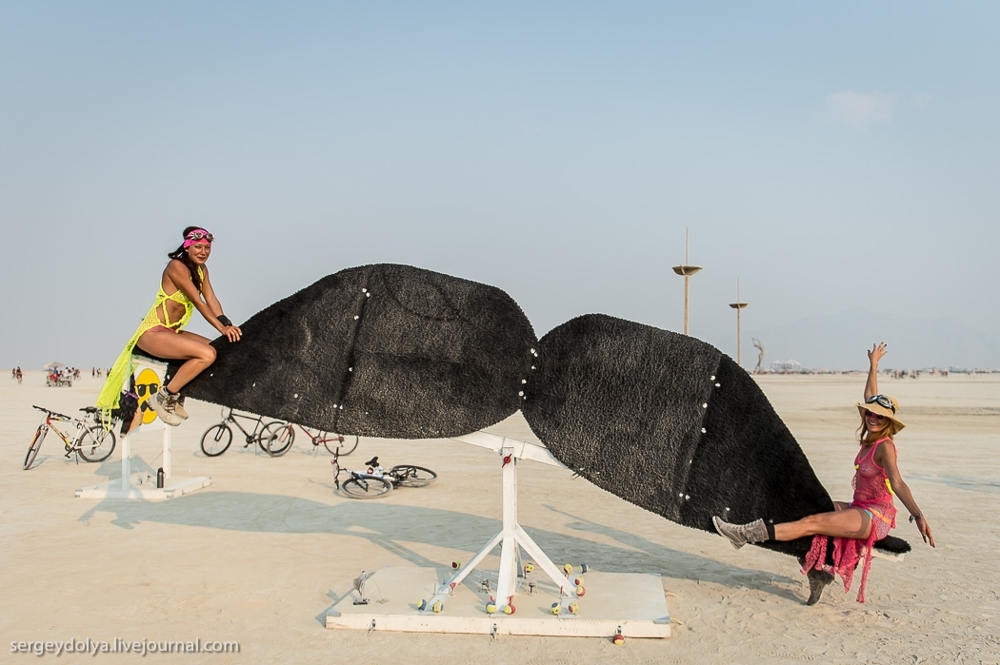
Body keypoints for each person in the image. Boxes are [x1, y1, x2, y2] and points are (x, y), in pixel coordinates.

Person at [712, 342, 935, 603]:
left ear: (889, 422)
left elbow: (897, 482)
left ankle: (744, 536)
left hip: (876, 516)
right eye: (871, 413)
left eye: (880, 417)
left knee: (812, 524)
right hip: (860, 505)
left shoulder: (885, 446)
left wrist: (918, 515)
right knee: (810, 507)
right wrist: (873, 365)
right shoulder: (871, 438)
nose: (873, 418)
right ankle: (819, 572)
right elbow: (871, 395)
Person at [96, 227, 241, 426]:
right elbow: (199, 302)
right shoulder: (176, 266)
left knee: (218, 349)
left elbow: (211, 299)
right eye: (198, 247)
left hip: (171, 331)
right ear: (187, 247)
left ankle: (178, 394)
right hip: (152, 332)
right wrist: (222, 329)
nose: (203, 252)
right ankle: (164, 396)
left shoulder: (202, 270)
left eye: (207, 248)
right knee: (207, 354)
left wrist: (228, 325)